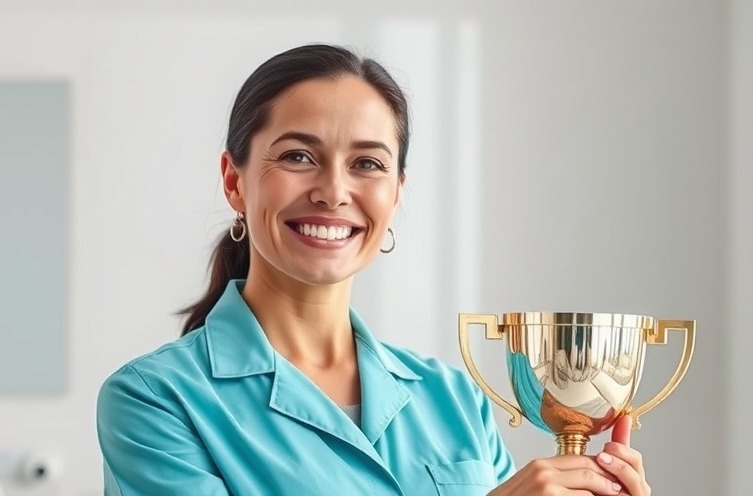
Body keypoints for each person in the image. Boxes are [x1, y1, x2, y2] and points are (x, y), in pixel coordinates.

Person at [96, 43, 652, 496]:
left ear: (396, 195)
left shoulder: (455, 398)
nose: (334, 191)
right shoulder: (154, 400)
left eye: (367, 164)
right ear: (234, 181)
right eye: (297, 156)